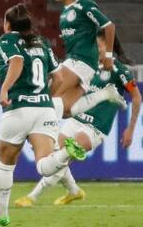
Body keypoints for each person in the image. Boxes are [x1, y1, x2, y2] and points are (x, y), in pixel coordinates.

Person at [0, 4, 87, 227]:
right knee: (45, 164)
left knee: (6, 164)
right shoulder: (42, 43)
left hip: (18, 108)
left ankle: (2, 213)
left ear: (8, 24)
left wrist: (4, 89)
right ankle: (66, 153)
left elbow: (17, 62)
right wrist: (43, 98)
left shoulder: (7, 39)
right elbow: (59, 79)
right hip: (45, 109)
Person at [15, 31, 141, 207]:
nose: (95, 50)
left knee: (65, 155)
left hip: (95, 128)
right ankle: (74, 191)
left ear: (109, 47)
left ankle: (32, 197)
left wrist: (131, 129)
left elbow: (136, 97)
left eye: (99, 46)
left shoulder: (118, 70)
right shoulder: (87, 68)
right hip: (76, 120)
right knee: (56, 157)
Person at [50, 0, 125, 118]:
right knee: (65, 111)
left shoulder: (83, 5)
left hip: (81, 61)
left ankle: (44, 138)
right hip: (83, 64)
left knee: (50, 95)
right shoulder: (65, 12)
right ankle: (105, 94)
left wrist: (108, 56)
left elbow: (109, 26)